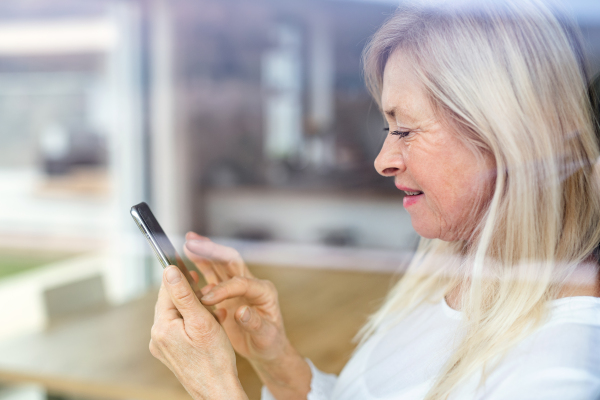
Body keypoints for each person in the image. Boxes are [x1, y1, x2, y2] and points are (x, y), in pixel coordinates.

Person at [148, 0, 600, 399]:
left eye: (405, 129)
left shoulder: (557, 374)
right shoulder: (464, 274)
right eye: (388, 129)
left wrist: (216, 387)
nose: (384, 160)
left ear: (507, 134)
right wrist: (277, 364)